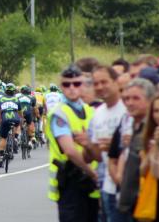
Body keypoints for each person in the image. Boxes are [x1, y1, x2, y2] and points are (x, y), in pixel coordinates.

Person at [46, 64, 99, 222]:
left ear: (83, 85)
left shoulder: (91, 111)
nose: (72, 88)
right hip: (70, 179)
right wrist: (93, 174)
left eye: (76, 83)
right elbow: (69, 150)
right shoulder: (59, 113)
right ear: (61, 86)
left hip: (91, 182)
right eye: (66, 84)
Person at [108, 78, 155, 219]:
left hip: (148, 201)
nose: (130, 103)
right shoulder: (126, 123)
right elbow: (113, 155)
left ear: (150, 100)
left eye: (136, 98)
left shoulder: (155, 127)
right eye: (126, 98)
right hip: (127, 200)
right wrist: (119, 179)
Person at [88, 66, 127, 222]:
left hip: (127, 186)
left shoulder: (127, 107)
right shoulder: (98, 113)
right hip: (106, 186)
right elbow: (98, 156)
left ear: (116, 82)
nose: (99, 87)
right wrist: (87, 144)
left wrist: (114, 145)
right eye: (96, 83)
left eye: (104, 82)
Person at [0, 83, 22, 168]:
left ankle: (1, 155)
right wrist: (21, 118)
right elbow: (20, 112)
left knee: (3, 137)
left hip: (5, 119)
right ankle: (15, 138)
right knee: (18, 125)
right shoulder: (16, 99)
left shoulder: (0, 99)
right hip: (15, 118)